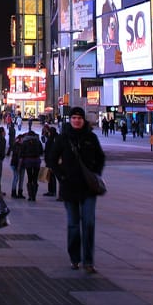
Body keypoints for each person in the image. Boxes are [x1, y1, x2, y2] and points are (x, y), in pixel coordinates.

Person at [47, 107, 106, 274]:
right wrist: (61, 176)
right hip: (69, 187)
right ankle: (74, 258)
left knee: (88, 223)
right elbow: (51, 158)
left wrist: (95, 174)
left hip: (88, 188)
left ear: (83, 120)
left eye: (79, 118)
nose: (76, 120)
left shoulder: (91, 138)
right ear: (70, 119)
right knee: (73, 225)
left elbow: (101, 157)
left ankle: (88, 261)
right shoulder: (63, 138)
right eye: (73, 117)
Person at [18, 122, 43, 201]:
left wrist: (21, 161)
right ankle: (34, 196)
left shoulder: (25, 142)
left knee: (29, 178)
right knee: (35, 178)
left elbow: (22, 153)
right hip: (36, 161)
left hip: (28, 161)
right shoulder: (38, 142)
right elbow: (41, 151)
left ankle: (30, 195)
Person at [42, 125, 59, 198]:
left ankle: (52, 191)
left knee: (51, 176)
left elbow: (50, 150)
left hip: (51, 160)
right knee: (50, 176)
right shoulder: (53, 138)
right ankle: (51, 191)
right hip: (50, 160)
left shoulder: (52, 140)